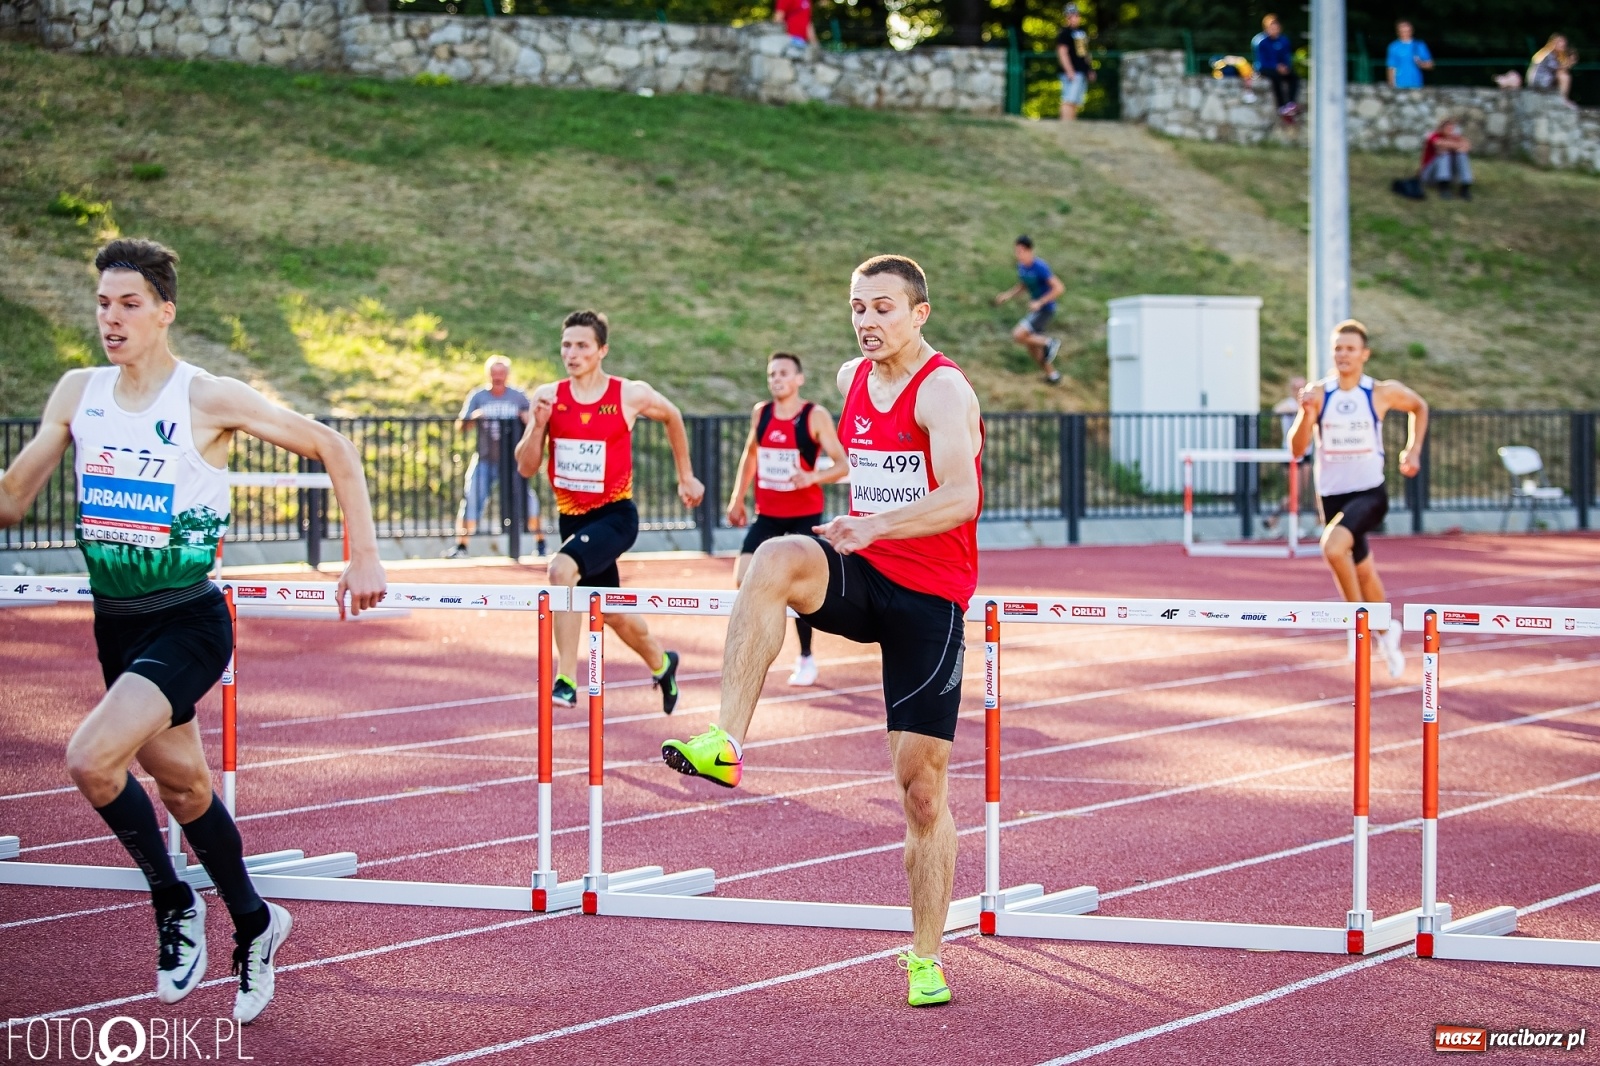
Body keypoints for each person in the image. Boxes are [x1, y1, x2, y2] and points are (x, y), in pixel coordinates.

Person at [0, 238, 388, 1022]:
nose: (112, 318)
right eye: (104, 303)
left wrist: (364, 557)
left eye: (129, 304)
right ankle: (256, 923)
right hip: (116, 626)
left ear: (165, 312)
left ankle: (175, 903)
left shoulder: (205, 397)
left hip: (188, 621)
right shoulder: (79, 392)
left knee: (89, 760)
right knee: (182, 788)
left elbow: (333, 446)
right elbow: (13, 498)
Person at [662, 255, 984, 1009]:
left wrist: (873, 522)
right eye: (856, 308)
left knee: (922, 792)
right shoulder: (849, 380)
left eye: (883, 308)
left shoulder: (942, 388)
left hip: (928, 595)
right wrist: (850, 522)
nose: (868, 321)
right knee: (774, 558)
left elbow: (962, 498)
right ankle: (726, 742)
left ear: (919, 314)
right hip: (861, 568)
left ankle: (926, 956)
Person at [514, 310, 704, 712]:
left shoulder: (627, 394)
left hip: (616, 516)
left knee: (560, 570)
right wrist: (537, 425)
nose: (572, 352)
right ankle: (662, 662)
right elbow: (526, 466)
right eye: (566, 345)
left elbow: (672, 414)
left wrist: (686, 476)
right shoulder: (549, 396)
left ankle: (565, 677)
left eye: (582, 345)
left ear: (602, 350)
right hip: (574, 520)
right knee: (613, 613)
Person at [1288, 320, 1427, 679]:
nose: (1343, 354)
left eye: (1350, 348)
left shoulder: (1379, 392)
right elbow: (1297, 449)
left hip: (1369, 492)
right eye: (1337, 348)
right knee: (1363, 570)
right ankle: (1387, 632)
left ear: (1364, 354)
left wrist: (1412, 450)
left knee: (1332, 548)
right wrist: (1306, 413)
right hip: (1332, 494)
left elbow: (1420, 406)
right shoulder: (1320, 394)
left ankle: (1357, 624)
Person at [726, 352, 849, 687]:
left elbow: (842, 464)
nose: (776, 379)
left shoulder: (813, 416)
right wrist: (737, 499)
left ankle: (806, 656)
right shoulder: (761, 413)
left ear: (799, 379)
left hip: (803, 516)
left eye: (783, 373)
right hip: (767, 515)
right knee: (744, 578)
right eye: (771, 374)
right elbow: (751, 455)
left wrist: (810, 477)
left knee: (800, 592)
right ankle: (763, 645)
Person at [446, 355, 546, 559]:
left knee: (527, 500)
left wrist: (527, 419)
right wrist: (474, 417)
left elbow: (536, 424)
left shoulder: (518, 397)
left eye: (501, 373)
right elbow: (461, 425)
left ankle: (541, 543)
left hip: (512, 462)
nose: (497, 377)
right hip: (485, 459)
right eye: (494, 373)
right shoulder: (478, 396)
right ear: (488, 374)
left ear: (507, 375)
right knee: (471, 499)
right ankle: (461, 546)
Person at [993, 236, 1065, 384]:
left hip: (1045, 310)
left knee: (1018, 335)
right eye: (1017, 251)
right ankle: (1053, 376)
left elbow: (1059, 288)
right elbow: (1023, 285)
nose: (1018, 254)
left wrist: (1040, 302)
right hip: (1037, 310)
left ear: (1030, 251)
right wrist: (1007, 296)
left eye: (1021, 251)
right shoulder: (1022, 267)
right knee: (1032, 347)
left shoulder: (1040, 266)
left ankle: (1049, 343)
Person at [1252, 14, 1299, 121]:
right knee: (1276, 78)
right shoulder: (1260, 41)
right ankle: (1281, 106)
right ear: (1266, 28)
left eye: (1276, 27)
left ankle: (1290, 103)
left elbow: (1286, 57)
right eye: (1271, 27)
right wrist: (1276, 67)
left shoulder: (1284, 41)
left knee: (1294, 77)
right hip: (1265, 69)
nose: (1274, 29)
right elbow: (1262, 61)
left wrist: (1285, 67)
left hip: (1281, 69)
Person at [1054, 3, 1095, 122]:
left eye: (1076, 15)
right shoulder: (1064, 33)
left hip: (1082, 71)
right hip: (1072, 72)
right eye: (1071, 15)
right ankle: (1065, 124)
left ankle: (1071, 124)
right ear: (1067, 17)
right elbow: (1062, 53)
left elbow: (1085, 53)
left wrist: (1089, 69)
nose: (1074, 18)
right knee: (1069, 99)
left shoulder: (1082, 32)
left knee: (1076, 101)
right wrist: (1069, 71)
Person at [1420, 117, 1473, 200]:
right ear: (1441, 128)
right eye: (1448, 128)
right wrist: (1458, 145)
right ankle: (1443, 187)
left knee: (1461, 154)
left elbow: (1467, 146)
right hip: (1430, 174)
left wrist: (1456, 145)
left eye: (1452, 128)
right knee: (1444, 153)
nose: (1450, 131)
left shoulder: (1456, 137)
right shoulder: (1433, 135)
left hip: (1451, 175)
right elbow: (1439, 144)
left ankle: (1465, 186)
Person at [1528, 34, 1578, 106]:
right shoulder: (1547, 54)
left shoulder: (1554, 54)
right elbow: (1557, 68)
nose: (1563, 46)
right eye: (1560, 43)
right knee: (1564, 76)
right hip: (1540, 82)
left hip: (1544, 81)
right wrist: (1569, 62)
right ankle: (1563, 100)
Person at [1385, 21, 1434, 90]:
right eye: (1402, 31)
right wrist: (1391, 84)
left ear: (1412, 31)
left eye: (1407, 31)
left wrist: (1421, 63)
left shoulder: (1419, 45)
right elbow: (1391, 67)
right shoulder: (1394, 46)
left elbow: (1430, 65)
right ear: (1398, 32)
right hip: (1399, 84)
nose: (1405, 33)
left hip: (1416, 83)